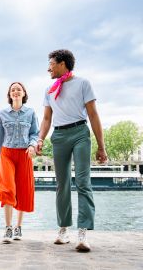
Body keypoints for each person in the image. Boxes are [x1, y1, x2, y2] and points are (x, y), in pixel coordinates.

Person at [36, 49, 108, 252]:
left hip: (80, 133)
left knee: (83, 182)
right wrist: (40, 139)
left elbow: (93, 115)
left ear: (62, 63)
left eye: (51, 63)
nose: (48, 68)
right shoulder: (49, 89)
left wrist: (101, 147)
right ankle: (64, 229)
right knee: (62, 184)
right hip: (58, 137)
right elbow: (47, 118)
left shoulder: (83, 83)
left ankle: (83, 232)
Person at [0, 82, 39, 243]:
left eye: (19, 89)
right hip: (6, 154)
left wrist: (33, 145)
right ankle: (8, 228)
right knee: (7, 189)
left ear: (24, 93)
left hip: (24, 154)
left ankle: (18, 227)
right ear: (10, 95)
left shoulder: (31, 113)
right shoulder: (2, 113)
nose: (16, 91)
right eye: (13, 90)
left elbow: (35, 133)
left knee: (22, 191)